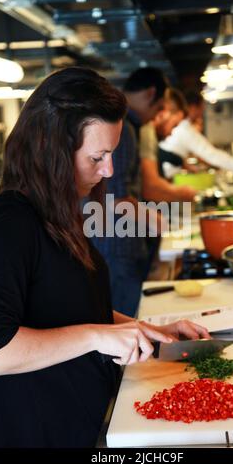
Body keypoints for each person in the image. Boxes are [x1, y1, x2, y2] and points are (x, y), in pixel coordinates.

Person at [0, 67, 210, 448]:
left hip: (85, 419)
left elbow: (72, 308)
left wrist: (151, 330)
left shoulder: (59, 213)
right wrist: (98, 337)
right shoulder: (9, 222)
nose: (108, 169)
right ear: (51, 150)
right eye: (98, 156)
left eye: (112, 154)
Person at [91, 67, 170, 318]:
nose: (155, 118)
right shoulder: (122, 128)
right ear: (150, 93)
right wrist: (159, 222)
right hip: (117, 246)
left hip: (110, 242)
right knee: (124, 329)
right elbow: (116, 197)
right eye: (159, 109)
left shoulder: (123, 126)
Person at [159, 88, 233, 173]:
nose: (202, 112)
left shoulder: (183, 128)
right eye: (201, 108)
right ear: (192, 107)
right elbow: (211, 154)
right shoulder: (184, 129)